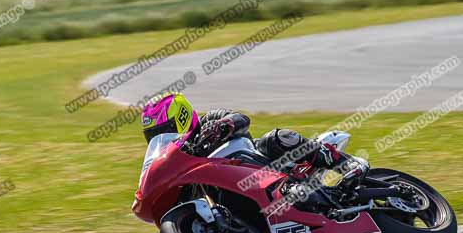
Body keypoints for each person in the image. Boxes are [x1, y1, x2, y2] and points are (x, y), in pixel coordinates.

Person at [140, 92, 347, 172]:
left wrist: (226, 124)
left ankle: (330, 157)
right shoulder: (175, 158)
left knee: (273, 139)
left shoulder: (209, 121)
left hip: (259, 163)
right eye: (153, 134)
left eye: (164, 130)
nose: (159, 137)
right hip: (231, 184)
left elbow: (242, 119)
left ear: (182, 117)